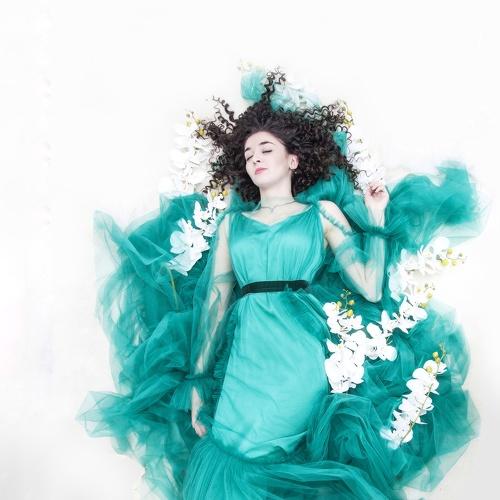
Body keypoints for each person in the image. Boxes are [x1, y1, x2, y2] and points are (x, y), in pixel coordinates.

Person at [77, 69, 486, 499]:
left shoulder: (322, 214)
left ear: (293, 160)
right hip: (245, 353)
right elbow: (215, 301)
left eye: (266, 148)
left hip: (299, 355)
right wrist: (197, 380)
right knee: (226, 447)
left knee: (270, 454)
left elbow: (369, 287)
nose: (255, 157)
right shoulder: (233, 225)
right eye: (248, 153)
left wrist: (378, 219)